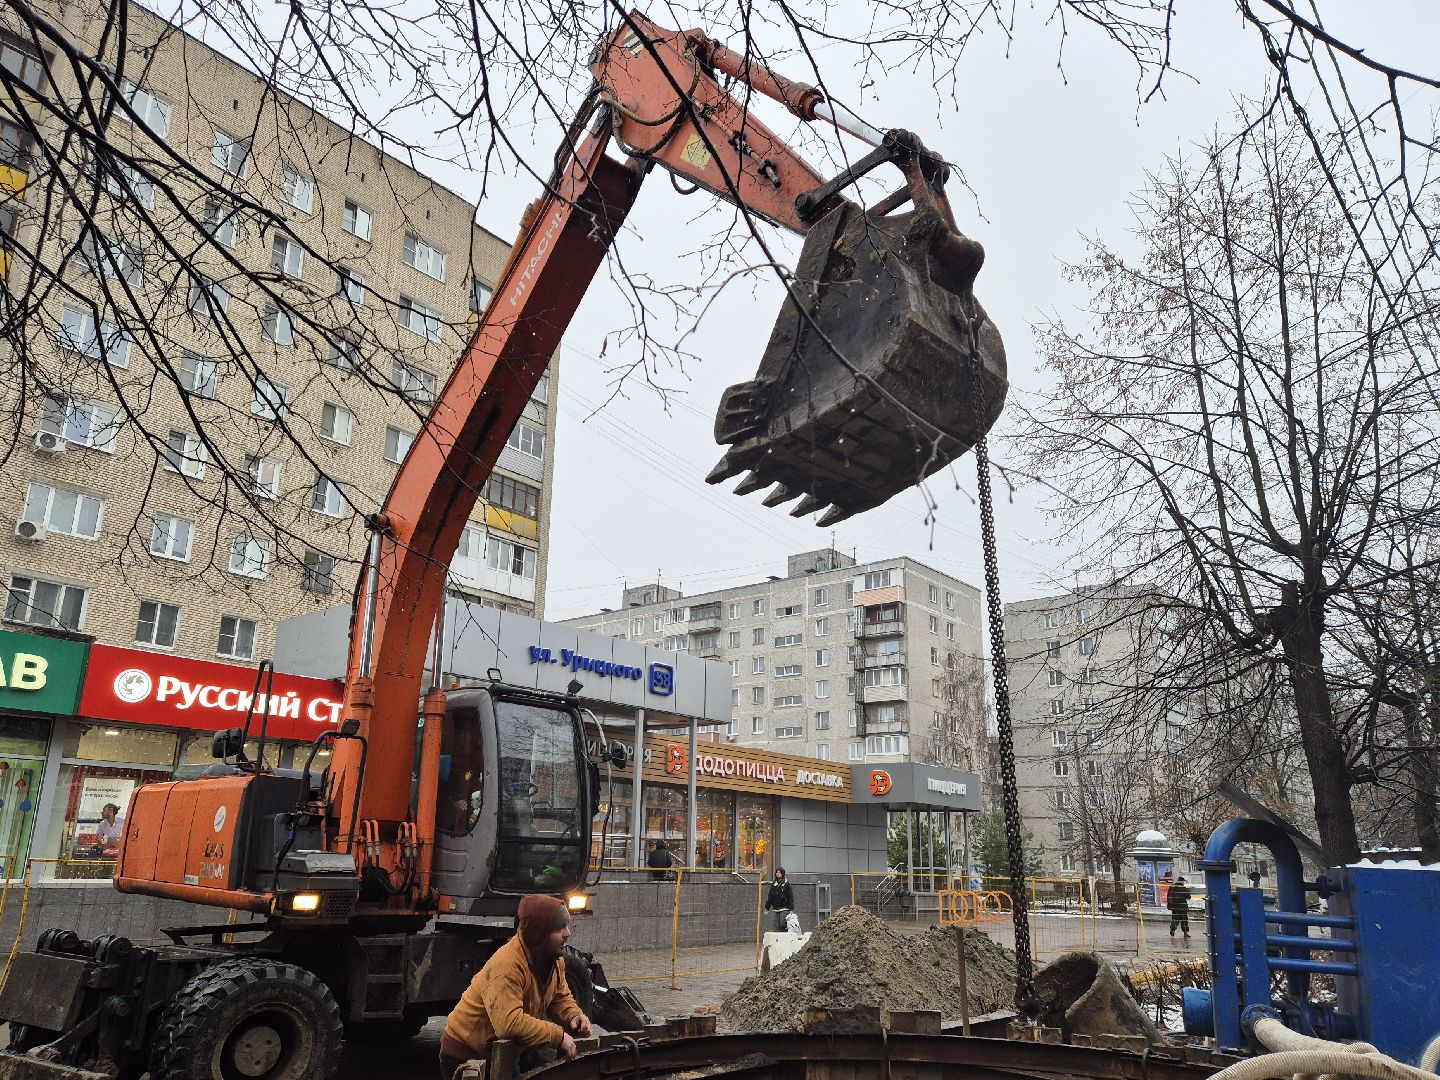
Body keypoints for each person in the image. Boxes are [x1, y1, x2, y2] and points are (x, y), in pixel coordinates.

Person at [439, 894, 591, 1080]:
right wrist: (558, 1036)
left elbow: (559, 996)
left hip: (504, 1054)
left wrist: (574, 1015)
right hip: (466, 1056)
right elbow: (509, 1024)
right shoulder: (507, 966)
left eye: (567, 926)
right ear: (539, 932)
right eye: (559, 928)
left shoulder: (554, 960)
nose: (567, 933)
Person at [764, 867, 795, 932]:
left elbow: (790, 897)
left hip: (784, 908)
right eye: (777, 872)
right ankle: (776, 939)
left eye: (779, 872)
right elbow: (770, 897)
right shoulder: (774, 884)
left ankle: (784, 936)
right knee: (775, 925)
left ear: (782, 874)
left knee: (782, 923)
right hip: (776, 909)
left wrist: (791, 909)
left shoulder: (786, 884)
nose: (778, 874)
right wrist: (767, 908)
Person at [1167, 876, 1193, 943]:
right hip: (1182, 907)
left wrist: (1169, 906)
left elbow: (1169, 897)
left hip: (1174, 907)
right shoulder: (1183, 888)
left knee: (1175, 919)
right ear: (1182, 882)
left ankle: (1172, 930)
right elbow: (1188, 897)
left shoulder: (1171, 887)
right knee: (1184, 920)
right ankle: (1185, 933)